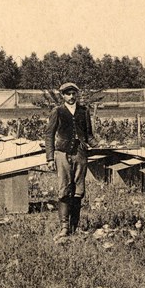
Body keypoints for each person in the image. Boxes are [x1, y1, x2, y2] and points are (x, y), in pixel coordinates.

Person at [45, 82, 98, 241]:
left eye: (74, 93)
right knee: (64, 189)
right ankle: (64, 228)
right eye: (68, 94)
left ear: (77, 94)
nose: (71, 96)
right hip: (62, 153)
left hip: (80, 153)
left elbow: (88, 135)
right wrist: (50, 157)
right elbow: (49, 135)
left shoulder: (84, 111)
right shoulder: (58, 111)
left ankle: (75, 227)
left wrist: (98, 144)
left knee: (78, 190)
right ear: (63, 96)